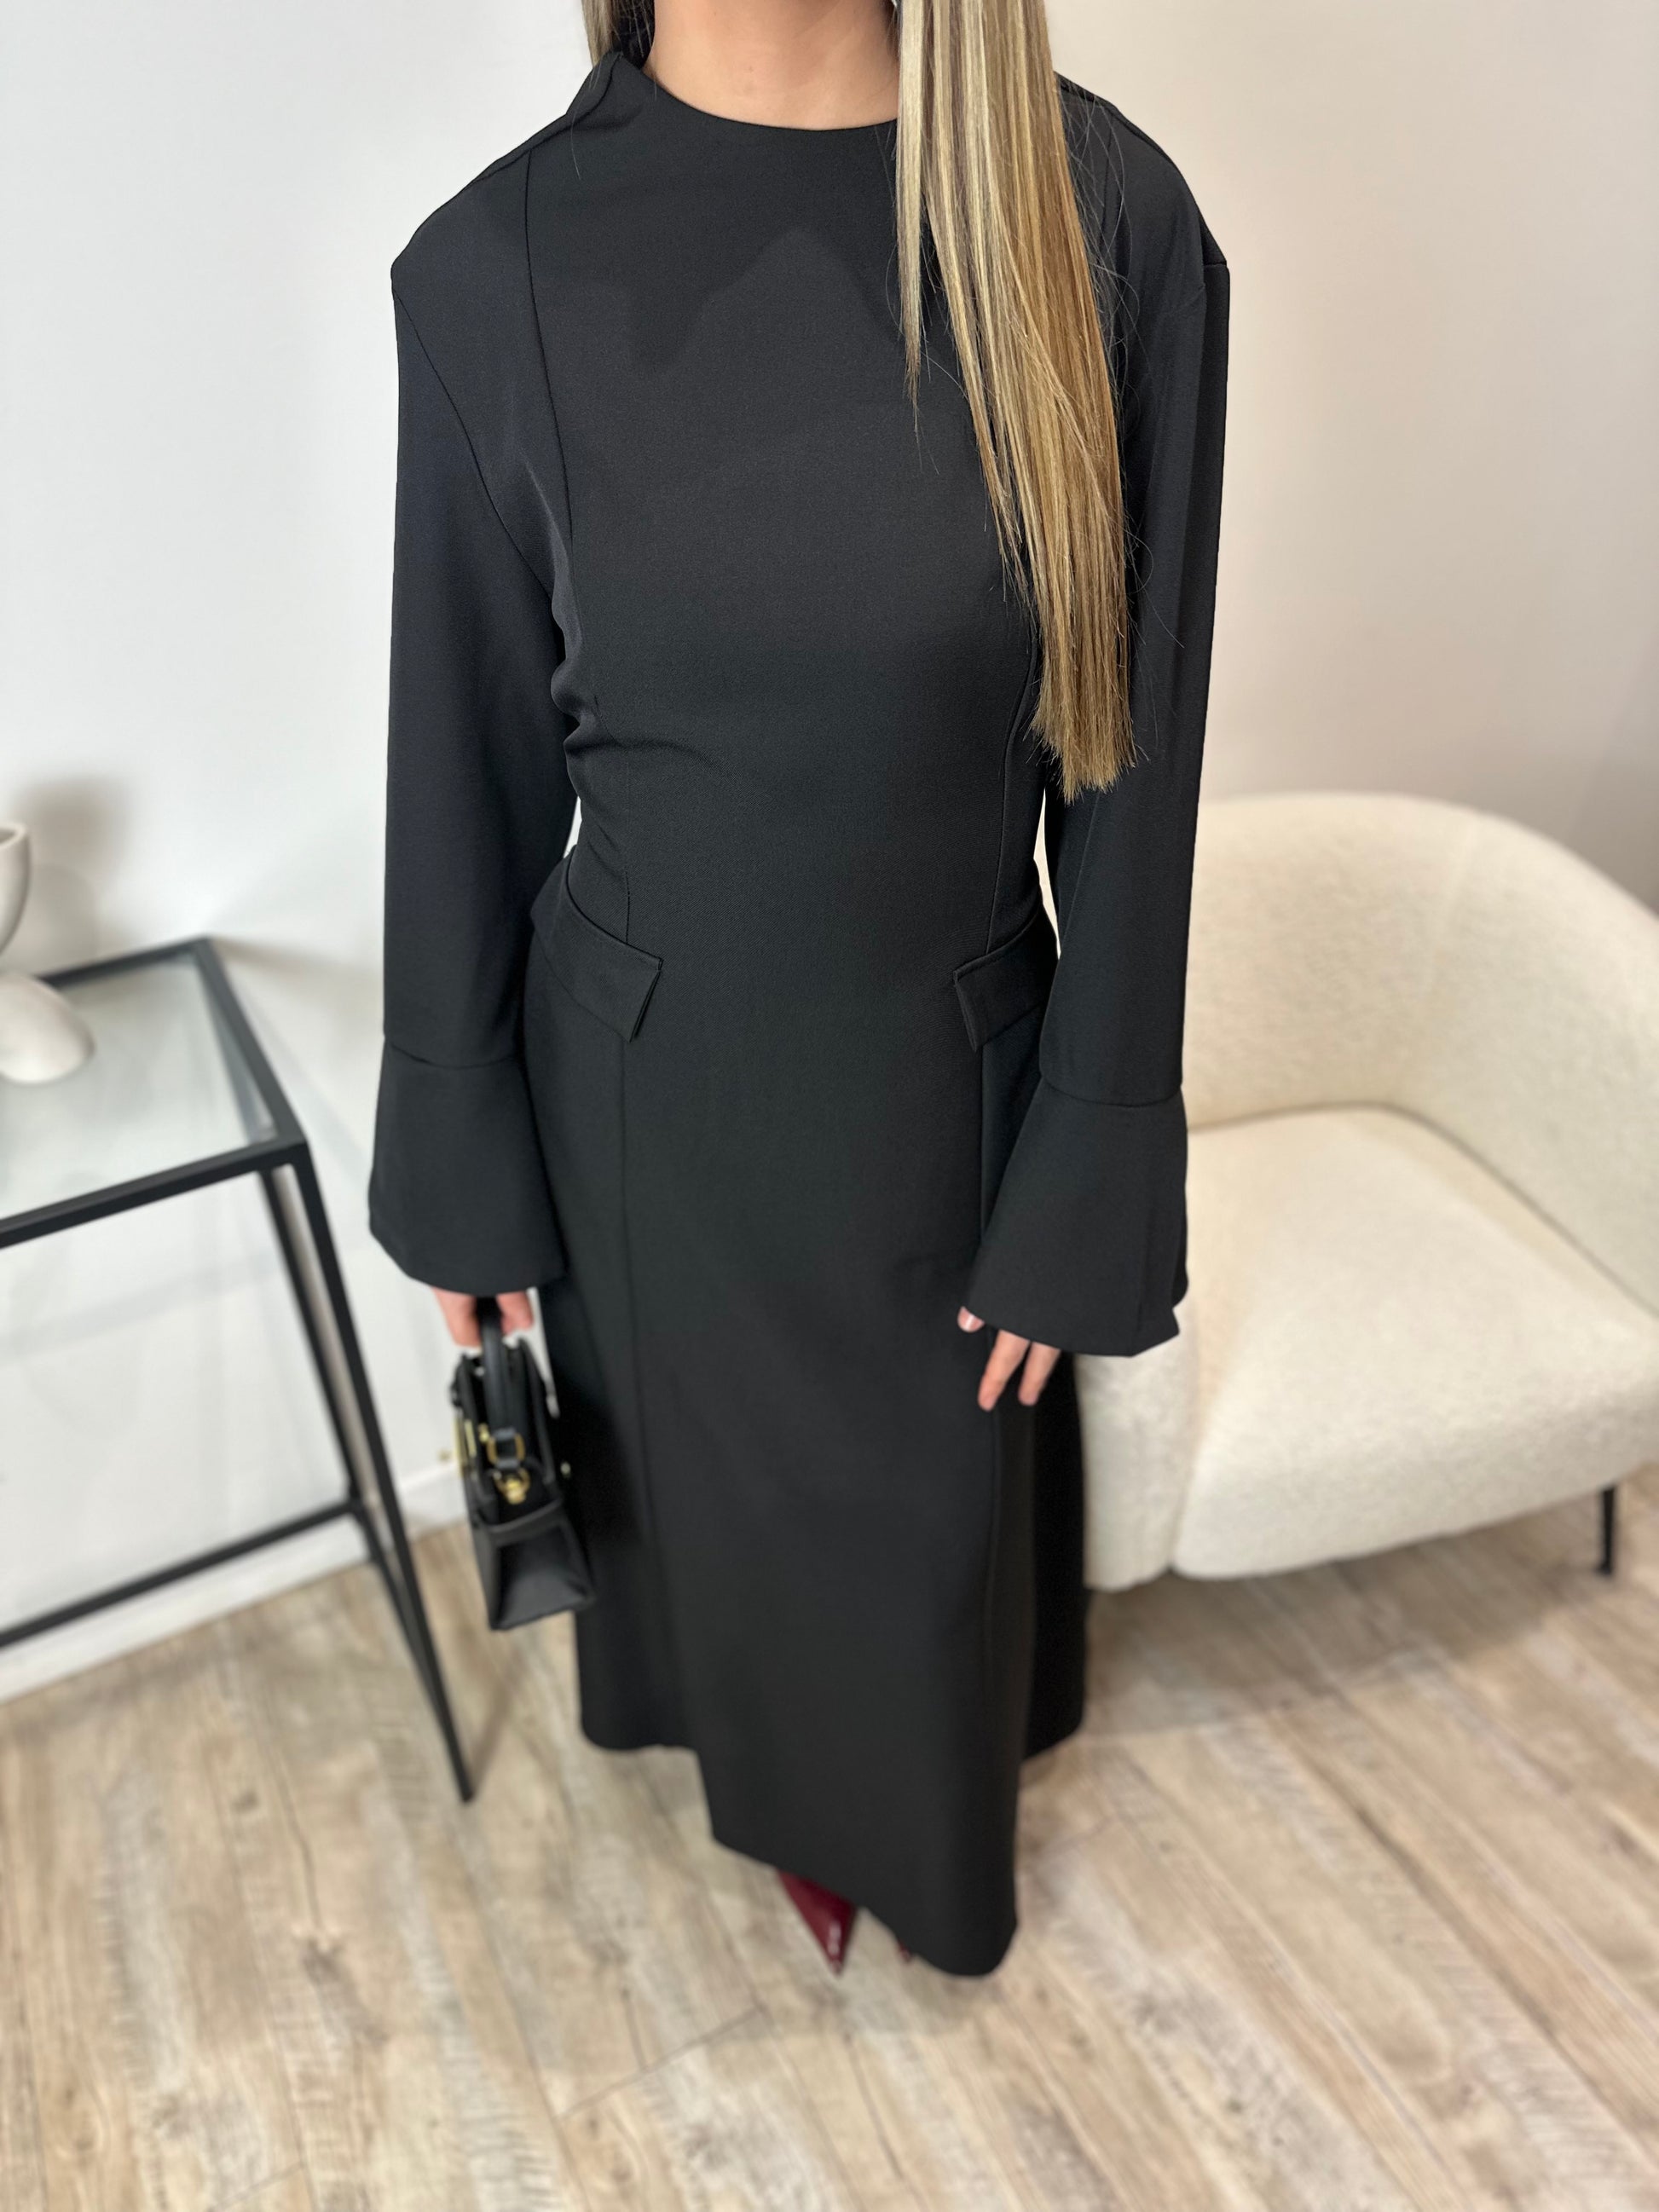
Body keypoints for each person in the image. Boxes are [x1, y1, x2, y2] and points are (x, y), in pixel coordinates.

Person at [368, 0, 1228, 1978]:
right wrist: (463, 1162)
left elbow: (1137, 772)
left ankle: (897, 1856)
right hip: (636, 1113)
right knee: (706, 1565)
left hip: (944, 1102)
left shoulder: (1099, 221)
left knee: (920, 1601)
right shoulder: (488, 268)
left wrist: (1089, 1161)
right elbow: (465, 760)